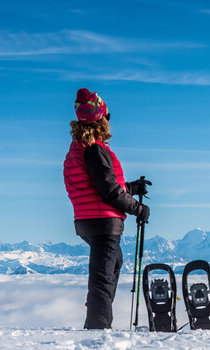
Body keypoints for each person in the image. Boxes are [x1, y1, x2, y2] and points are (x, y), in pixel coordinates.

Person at [63, 88, 150, 329]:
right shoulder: (93, 150)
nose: (109, 123)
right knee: (102, 280)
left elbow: (99, 185)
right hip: (102, 222)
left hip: (89, 220)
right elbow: (109, 192)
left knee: (113, 264)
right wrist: (138, 209)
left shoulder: (79, 149)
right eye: (107, 118)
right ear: (100, 120)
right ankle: (98, 331)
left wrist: (131, 188)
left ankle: (98, 321)